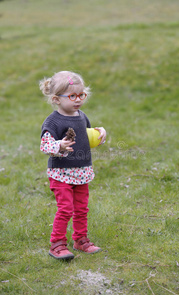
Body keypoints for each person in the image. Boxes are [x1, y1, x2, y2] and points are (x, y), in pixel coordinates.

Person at [40, 71, 106, 260]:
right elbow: (44, 145)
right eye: (72, 96)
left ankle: (80, 240)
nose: (78, 100)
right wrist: (58, 145)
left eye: (81, 95)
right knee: (66, 209)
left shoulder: (81, 116)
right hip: (61, 173)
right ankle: (58, 244)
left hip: (82, 171)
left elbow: (86, 135)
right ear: (56, 99)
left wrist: (99, 132)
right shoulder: (53, 121)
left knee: (81, 208)